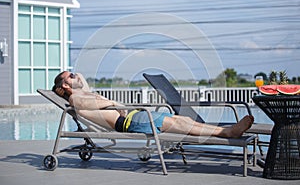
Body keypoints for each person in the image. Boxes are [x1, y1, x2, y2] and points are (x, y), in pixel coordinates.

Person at [52, 71, 254, 138]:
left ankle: (225, 131)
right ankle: (227, 133)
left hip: (133, 117)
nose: (75, 74)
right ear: (65, 84)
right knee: (181, 125)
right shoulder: (74, 99)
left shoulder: (81, 92)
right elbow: (89, 101)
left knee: (182, 119)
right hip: (129, 122)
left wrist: (76, 78)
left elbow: (85, 87)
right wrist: (114, 102)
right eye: (70, 75)